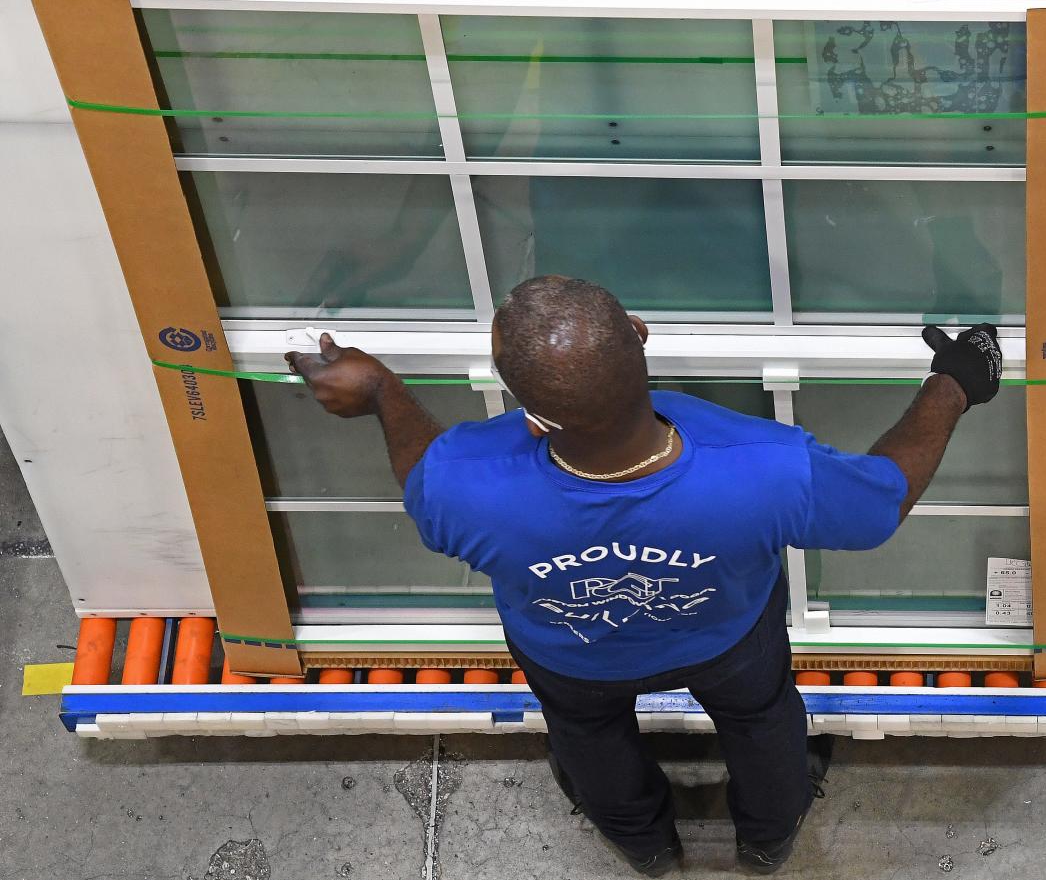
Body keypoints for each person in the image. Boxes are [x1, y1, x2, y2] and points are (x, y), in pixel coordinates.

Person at [286, 275, 1003, 876]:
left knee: (586, 734)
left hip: (569, 655)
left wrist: (383, 392)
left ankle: (645, 846)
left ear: (528, 414)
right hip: (726, 638)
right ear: (641, 331)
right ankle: (767, 838)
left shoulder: (464, 481)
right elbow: (879, 502)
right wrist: (952, 385)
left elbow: (421, 477)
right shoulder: (766, 465)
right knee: (760, 720)